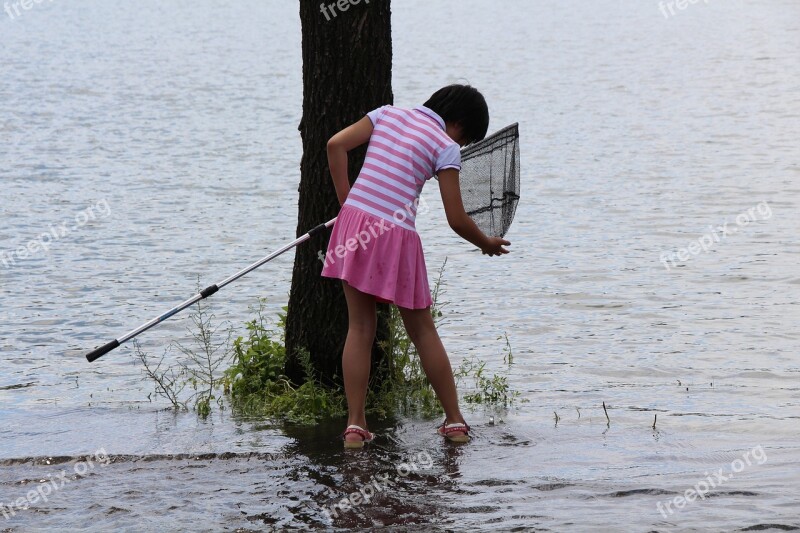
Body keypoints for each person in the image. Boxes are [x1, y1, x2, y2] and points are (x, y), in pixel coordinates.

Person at [321, 84, 510, 448]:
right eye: (466, 136)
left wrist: (348, 203)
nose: (463, 143)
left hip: (354, 225)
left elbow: (335, 145)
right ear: (457, 122)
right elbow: (456, 219)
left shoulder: (387, 114)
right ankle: (454, 423)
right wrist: (485, 243)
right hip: (397, 236)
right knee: (423, 331)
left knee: (360, 326)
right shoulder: (445, 146)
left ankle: (355, 428)